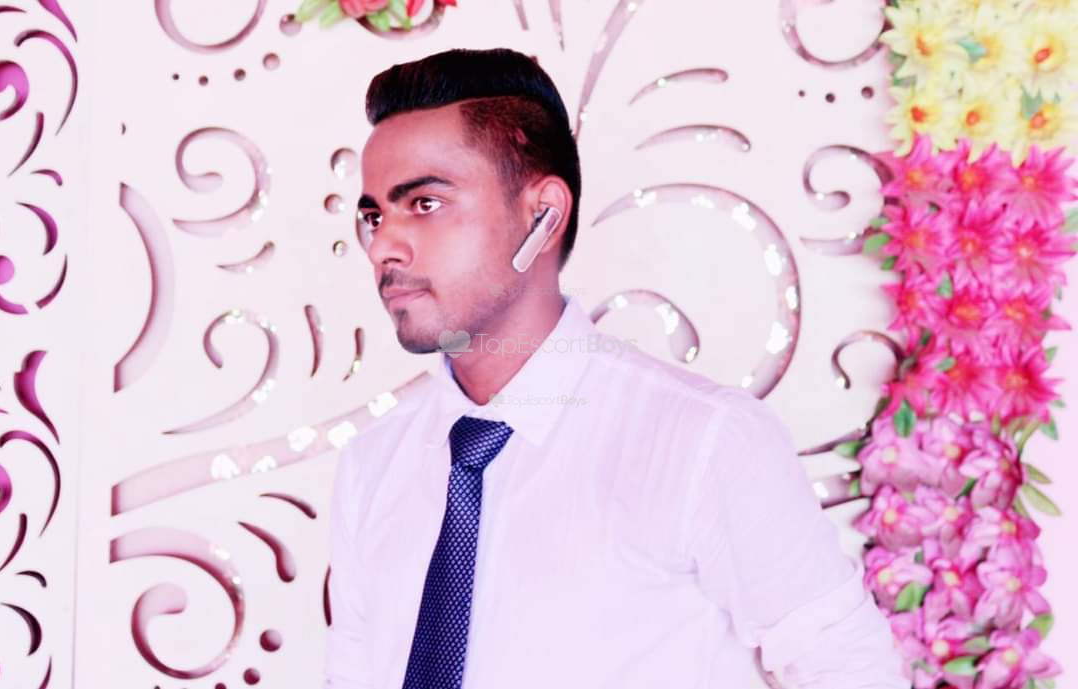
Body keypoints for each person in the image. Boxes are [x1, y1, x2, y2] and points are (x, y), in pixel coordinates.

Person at [324, 47, 906, 689]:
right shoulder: (371, 467)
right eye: (374, 216)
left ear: (543, 215)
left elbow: (852, 672)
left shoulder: (702, 442)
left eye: (425, 203)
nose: (382, 246)